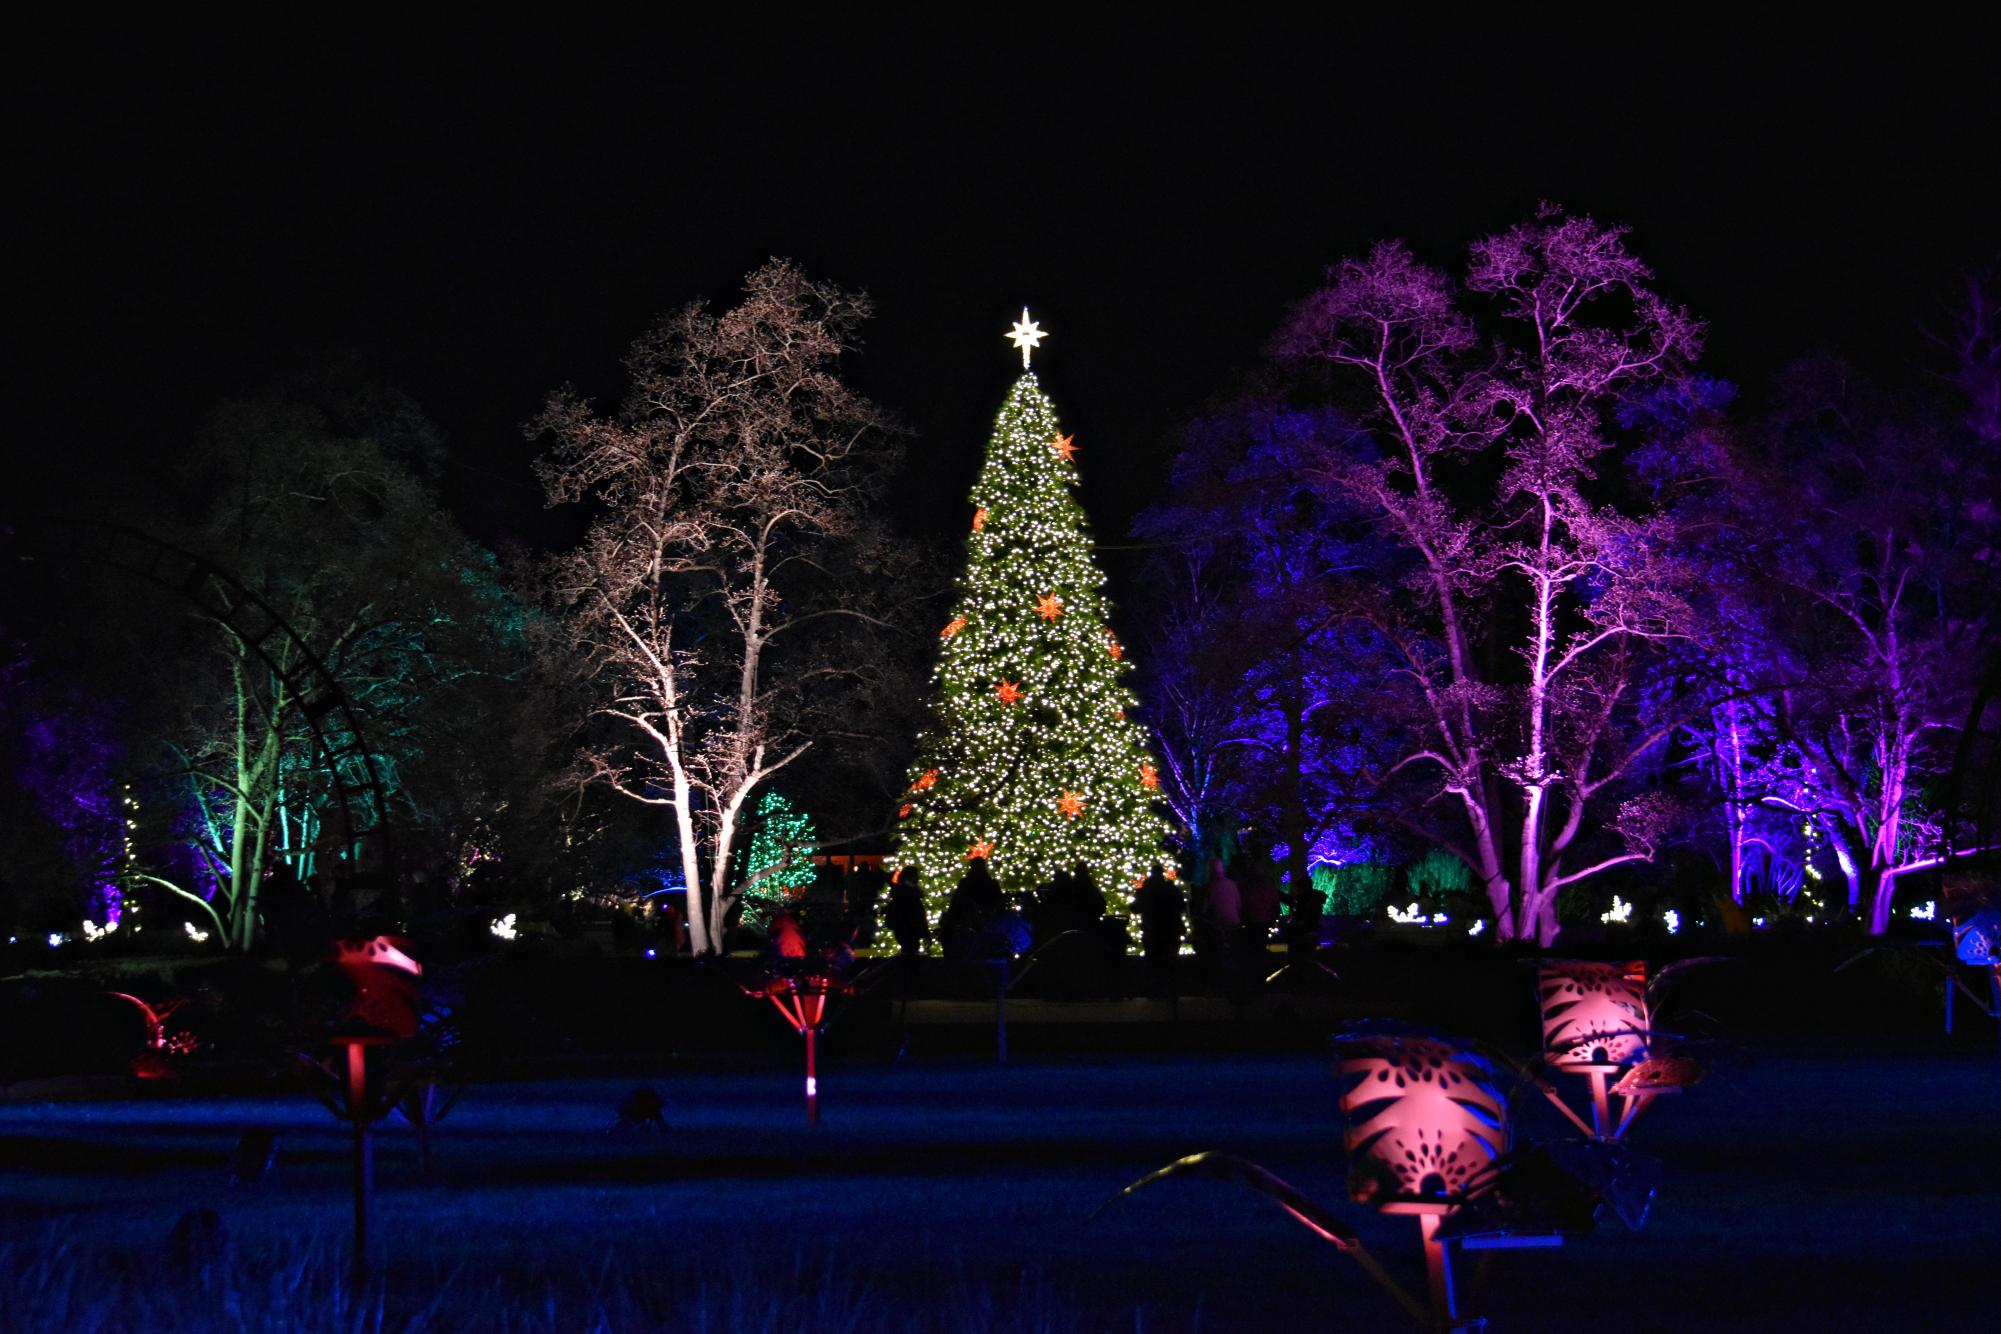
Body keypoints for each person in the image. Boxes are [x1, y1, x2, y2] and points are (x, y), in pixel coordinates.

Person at [1134, 864, 1185, 997]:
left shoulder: (1146, 889)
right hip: (1171, 929)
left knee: (1153, 961)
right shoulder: (1171, 888)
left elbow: (1136, 907)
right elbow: (1181, 905)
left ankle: (1155, 991)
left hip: (1152, 930)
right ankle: (1172, 990)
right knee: (1170, 960)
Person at [885, 866, 930, 958]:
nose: (918, 878)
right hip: (911, 931)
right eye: (916, 876)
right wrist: (925, 933)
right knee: (911, 955)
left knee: (907, 953)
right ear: (912, 877)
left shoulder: (899, 891)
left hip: (902, 930)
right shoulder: (911, 893)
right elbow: (918, 915)